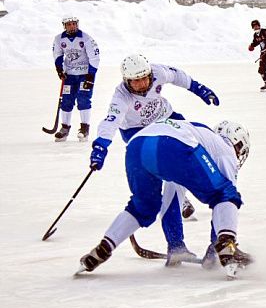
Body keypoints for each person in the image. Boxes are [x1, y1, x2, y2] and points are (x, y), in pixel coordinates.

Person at [89, 54, 220, 265]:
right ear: (126, 80)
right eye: (135, 81)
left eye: (144, 78)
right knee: (156, 173)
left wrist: (199, 89)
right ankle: (176, 230)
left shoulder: (158, 72)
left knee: (192, 148)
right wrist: (100, 146)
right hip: (138, 131)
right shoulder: (121, 96)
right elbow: (110, 121)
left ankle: (178, 203)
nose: (141, 84)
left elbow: (179, 77)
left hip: (167, 118)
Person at [79, 118, 252, 278]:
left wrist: (175, 244)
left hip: (137, 146)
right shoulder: (225, 149)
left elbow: (172, 196)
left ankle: (105, 247)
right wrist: (217, 249)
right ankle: (227, 248)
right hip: (174, 145)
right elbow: (224, 200)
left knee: (143, 207)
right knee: (225, 192)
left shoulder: (202, 136)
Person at [52, 16, 100, 142]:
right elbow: (57, 55)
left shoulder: (86, 38)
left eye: (74, 24)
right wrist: (59, 69)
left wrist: (91, 75)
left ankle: (84, 129)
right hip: (69, 75)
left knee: (83, 99)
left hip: (85, 74)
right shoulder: (59, 39)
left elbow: (94, 57)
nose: (72, 26)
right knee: (66, 101)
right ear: (64, 26)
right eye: (69, 24)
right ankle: (65, 128)